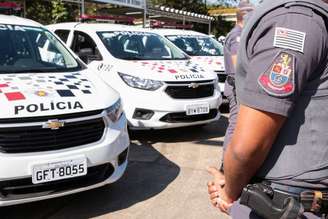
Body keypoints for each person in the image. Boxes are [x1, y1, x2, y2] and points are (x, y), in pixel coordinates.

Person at [207, 0, 328, 218]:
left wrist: (228, 192)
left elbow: (248, 147)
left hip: (288, 202)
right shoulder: (301, 19)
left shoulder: (296, 20)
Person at [223, 0, 254, 150]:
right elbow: (238, 68)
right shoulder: (237, 36)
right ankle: (226, 164)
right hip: (236, 86)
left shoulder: (240, 34)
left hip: (237, 86)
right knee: (235, 125)